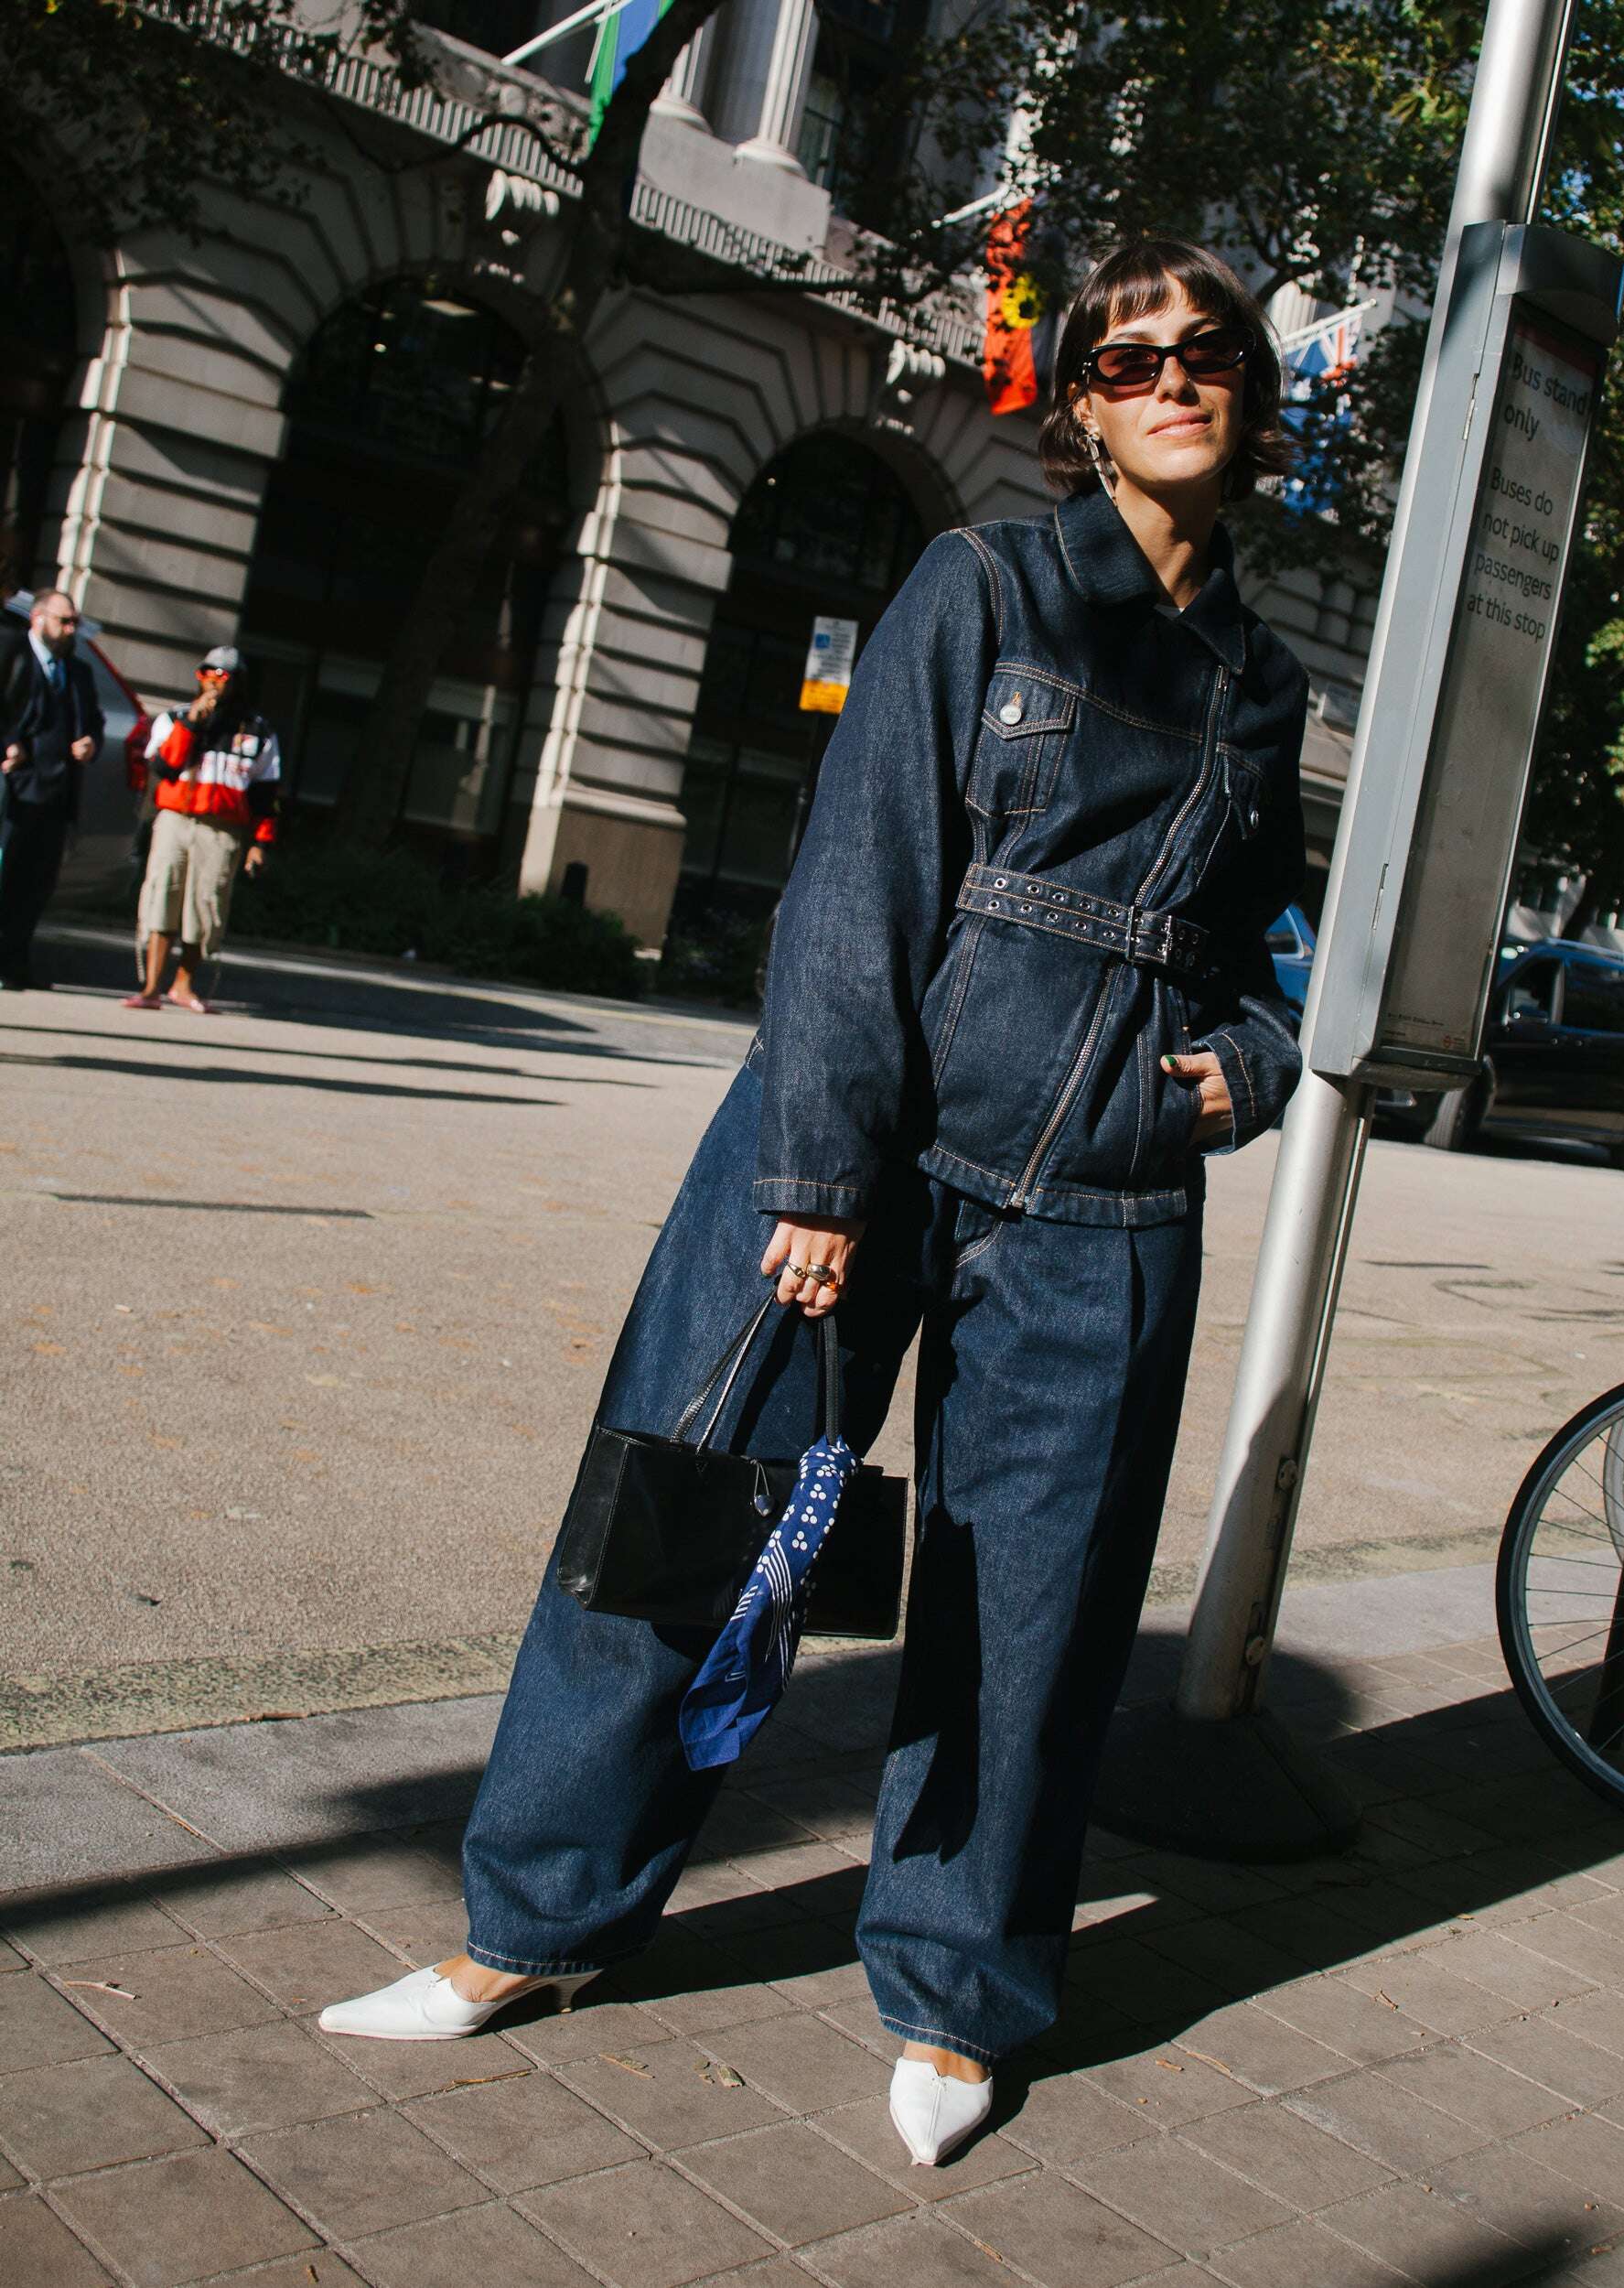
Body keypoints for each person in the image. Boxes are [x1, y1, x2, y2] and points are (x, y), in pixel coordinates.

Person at [320, 237, 1310, 2168]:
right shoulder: (986, 583)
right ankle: (529, 1927)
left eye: (1205, 354)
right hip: (854, 1161)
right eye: (1128, 359)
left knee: (1030, 1610)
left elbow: (1273, 940)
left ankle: (958, 1993)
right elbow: (857, 877)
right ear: (1080, 406)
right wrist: (822, 1167)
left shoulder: (1263, 686)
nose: (1169, 379)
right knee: (675, 1528)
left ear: (1251, 395)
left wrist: (1244, 1070)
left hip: (1101, 1200)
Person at [124, 646, 278, 1011]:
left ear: (238, 682)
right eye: (208, 674)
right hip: (176, 818)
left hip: (222, 827)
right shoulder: (175, 718)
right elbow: (165, 768)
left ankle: (184, 984)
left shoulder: (258, 731)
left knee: (205, 905)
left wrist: (259, 843)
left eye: (223, 676)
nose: (214, 682)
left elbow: (266, 795)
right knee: (164, 895)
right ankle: (151, 987)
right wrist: (193, 723)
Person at [0, 588, 102, 991]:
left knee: (36, 884)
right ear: (38, 619)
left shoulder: (79, 672)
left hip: (57, 794)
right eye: (64, 621)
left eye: (74, 621)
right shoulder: (11, 653)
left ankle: (15, 962)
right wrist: (7, 742)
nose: (70, 629)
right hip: (15, 789)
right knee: (4, 877)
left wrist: (90, 742)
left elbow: (92, 720)